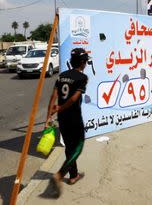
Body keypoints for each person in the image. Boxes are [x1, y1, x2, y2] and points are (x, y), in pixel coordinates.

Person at [45, 48, 89, 198]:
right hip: (74, 117)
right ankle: (59, 175)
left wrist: (48, 117)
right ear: (82, 63)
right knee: (79, 145)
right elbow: (73, 99)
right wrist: (61, 108)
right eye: (86, 61)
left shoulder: (62, 76)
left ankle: (73, 176)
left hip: (62, 119)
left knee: (69, 146)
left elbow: (53, 97)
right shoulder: (82, 78)